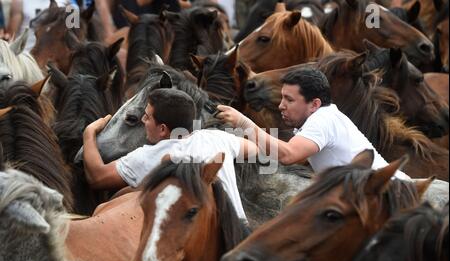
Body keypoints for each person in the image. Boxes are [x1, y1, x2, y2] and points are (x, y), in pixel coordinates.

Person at [83, 88, 258, 223]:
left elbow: (97, 177)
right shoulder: (217, 138)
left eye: (147, 117)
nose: (143, 121)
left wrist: (89, 134)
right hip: (239, 235)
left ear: (162, 129)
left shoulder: (149, 156)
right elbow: (254, 148)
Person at [216, 67, 410, 179]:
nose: (281, 106)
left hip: (391, 195)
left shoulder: (322, 120)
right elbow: (279, 150)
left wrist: (244, 124)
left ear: (314, 104)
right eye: (282, 98)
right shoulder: (323, 117)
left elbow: (288, 155)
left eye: (289, 100)